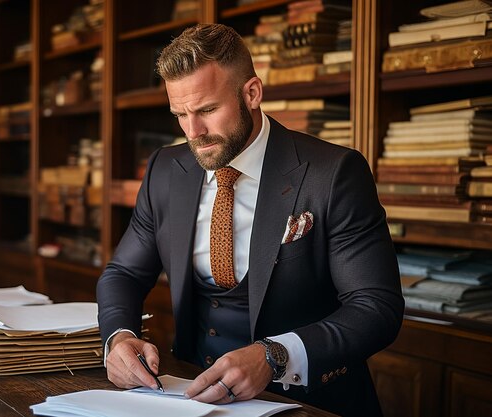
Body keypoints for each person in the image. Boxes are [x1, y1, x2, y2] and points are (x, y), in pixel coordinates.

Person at [96, 23, 403, 417]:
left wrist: (275, 354)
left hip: (307, 404)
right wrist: (119, 338)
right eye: (180, 114)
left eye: (207, 110)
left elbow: (377, 307)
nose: (194, 132)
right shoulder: (165, 168)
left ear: (252, 93)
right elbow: (123, 271)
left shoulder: (334, 173)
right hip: (187, 398)